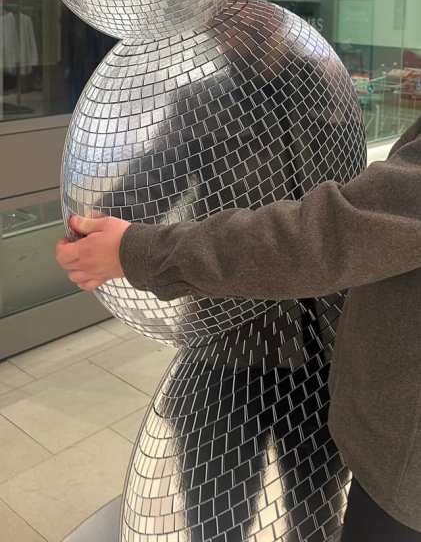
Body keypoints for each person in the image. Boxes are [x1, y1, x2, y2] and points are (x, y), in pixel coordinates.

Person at [56, 114, 421, 541]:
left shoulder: (319, 94)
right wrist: (106, 236)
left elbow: (327, 233)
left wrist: (135, 250)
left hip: (321, 360)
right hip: (226, 357)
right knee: (217, 518)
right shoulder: (204, 105)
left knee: (314, 512)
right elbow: (154, 179)